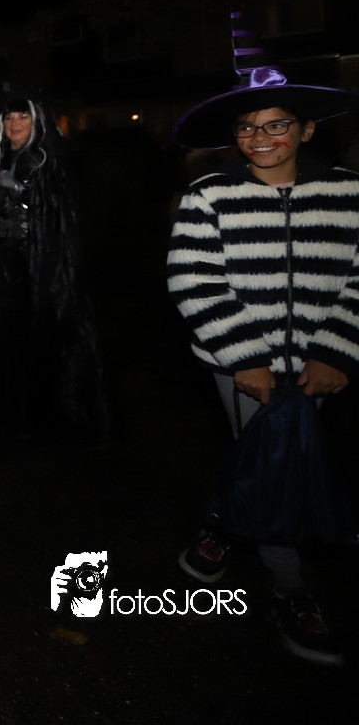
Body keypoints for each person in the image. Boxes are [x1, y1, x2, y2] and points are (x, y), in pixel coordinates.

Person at [166, 62, 359, 668]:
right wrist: (245, 357)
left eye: (276, 124)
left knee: (285, 460)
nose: (260, 137)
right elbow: (192, 276)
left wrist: (335, 349)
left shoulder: (349, 192)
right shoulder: (209, 193)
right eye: (247, 127)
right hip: (242, 368)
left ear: (306, 130)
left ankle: (222, 525)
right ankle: (290, 590)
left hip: (323, 367)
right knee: (277, 470)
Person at [0, 95, 109, 439]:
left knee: (49, 336)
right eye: (10, 118)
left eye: (23, 117)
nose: (15, 124)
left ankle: (54, 414)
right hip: (6, 268)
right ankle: (14, 410)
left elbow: (65, 223)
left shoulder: (50, 163)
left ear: (36, 122)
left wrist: (55, 269)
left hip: (44, 267)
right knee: (7, 338)